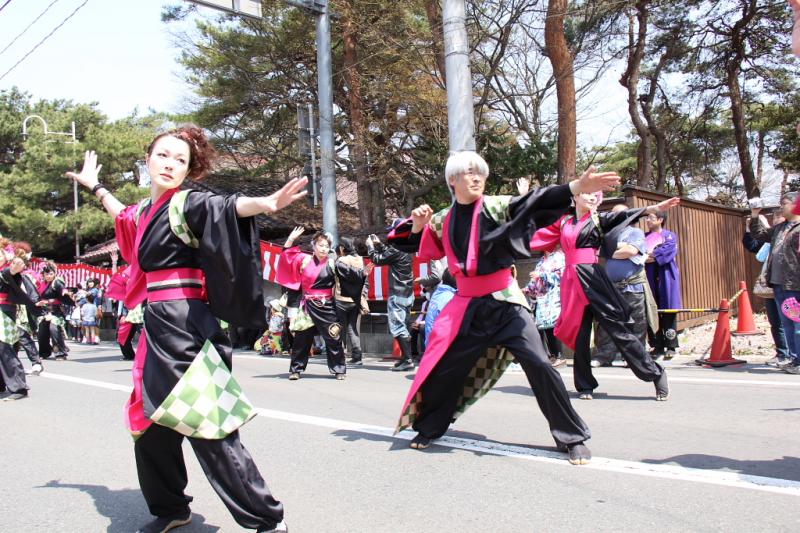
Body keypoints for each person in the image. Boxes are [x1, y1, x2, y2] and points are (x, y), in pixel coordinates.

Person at [66, 125, 309, 533]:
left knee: (206, 421)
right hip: (155, 323)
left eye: (180, 160)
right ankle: (171, 508)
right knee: (149, 423)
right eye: (163, 155)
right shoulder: (144, 212)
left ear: (188, 171)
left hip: (185, 323)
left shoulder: (188, 204)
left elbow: (227, 207)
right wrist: (96, 187)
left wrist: (265, 203)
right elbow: (122, 216)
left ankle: (267, 519)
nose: (170, 164)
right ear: (147, 160)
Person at [387, 151, 623, 465]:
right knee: (446, 368)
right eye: (468, 172)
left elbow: (536, 202)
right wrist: (417, 226)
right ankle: (431, 425)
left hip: (507, 302)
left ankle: (572, 436)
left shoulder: (497, 206)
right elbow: (414, 245)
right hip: (467, 306)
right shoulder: (442, 219)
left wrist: (576, 185)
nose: (476, 178)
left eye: (480, 173)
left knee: (540, 364)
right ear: (452, 180)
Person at [531, 191, 678, 401]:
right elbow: (539, 231)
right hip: (571, 281)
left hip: (593, 278)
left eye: (595, 197)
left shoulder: (599, 220)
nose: (592, 198)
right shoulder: (563, 222)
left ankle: (655, 372)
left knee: (618, 330)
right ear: (575, 198)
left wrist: (651, 209)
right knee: (581, 336)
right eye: (587, 194)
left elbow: (623, 216)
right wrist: (527, 201)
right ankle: (585, 386)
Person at [277, 227, 369, 380]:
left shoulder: (333, 264)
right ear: (314, 245)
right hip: (307, 306)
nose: (324, 249)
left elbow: (350, 273)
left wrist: (362, 273)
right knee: (301, 339)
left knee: (334, 337)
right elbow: (287, 257)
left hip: (327, 305)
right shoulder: (303, 260)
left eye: (327, 246)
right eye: (321, 245)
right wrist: (291, 240)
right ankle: (296, 369)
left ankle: (339, 369)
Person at [592, 204, 657, 368]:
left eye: (618, 214)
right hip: (611, 285)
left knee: (637, 323)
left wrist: (610, 250)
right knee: (608, 321)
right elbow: (597, 252)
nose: (614, 217)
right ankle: (604, 356)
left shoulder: (636, 232)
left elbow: (630, 251)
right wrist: (616, 248)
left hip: (633, 285)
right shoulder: (607, 234)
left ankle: (636, 357)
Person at [751, 192, 800, 374]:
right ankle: (793, 358)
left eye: (784, 203)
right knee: (787, 324)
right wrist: (755, 215)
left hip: (794, 285)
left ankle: (799, 361)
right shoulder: (781, 228)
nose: (781, 207)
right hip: (779, 284)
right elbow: (759, 234)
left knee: (797, 325)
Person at [743, 215, 790, 366]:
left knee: (790, 322)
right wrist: (751, 226)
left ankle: (792, 355)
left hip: (789, 286)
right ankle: (782, 353)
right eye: (774, 226)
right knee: (776, 322)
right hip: (771, 286)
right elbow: (754, 248)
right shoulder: (770, 243)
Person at [366, 228, 415, 371]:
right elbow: (388, 254)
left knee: (398, 327)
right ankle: (404, 357)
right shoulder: (406, 249)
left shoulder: (396, 250)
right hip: (407, 293)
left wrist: (370, 246)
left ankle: (407, 359)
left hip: (397, 294)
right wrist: (379, 245)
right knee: (404, 326)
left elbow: (377, 259)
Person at [0, 242, 37, 401]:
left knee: (4, 347)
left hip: (3, 312)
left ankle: (19, 387)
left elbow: (12, 271)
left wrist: (16, 266)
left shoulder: (6, 271)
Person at [645, 210, 683, 360]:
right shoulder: (644, 237)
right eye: (647, 217)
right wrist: (647, 255)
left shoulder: (669, 235)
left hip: (666, 275)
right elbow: (640, 253)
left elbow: (667, 251)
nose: (647, 220)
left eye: (651, 218)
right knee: (651, 309)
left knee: (668, 308)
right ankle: (656, 344)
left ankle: (671, 345)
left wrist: (652, 255)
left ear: (660, 219)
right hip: (649, 274)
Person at [527, 249, 566, 367]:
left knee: (553, 325)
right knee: (544, 327)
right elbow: (535, 279)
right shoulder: (541, 260)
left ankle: (559, 356)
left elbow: (562, 274)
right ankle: (552, 356)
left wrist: (542, 275)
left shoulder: (559, 256)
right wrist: (528, 289)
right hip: (542, 298)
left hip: (554, 295)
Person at [334, 237, 367, 367]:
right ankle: (357, 356)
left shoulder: (341, 260)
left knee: (339, 328)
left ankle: (340, 355)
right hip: (355, 299)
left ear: (342, 248)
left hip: (341, 299)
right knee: (352, 328)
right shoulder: (360, 259)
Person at [36, 262, 70, 360]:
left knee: (54, 329)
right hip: (44, 311)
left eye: (51, 274)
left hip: (56, 311)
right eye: (47, 274)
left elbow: (63, 289)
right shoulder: (42, 284)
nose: (49, 276)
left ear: (55, 273)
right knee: (41, 332)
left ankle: (61, 353)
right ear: (44, 275)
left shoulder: (57, 282)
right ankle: (44, 352)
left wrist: (65, 292)